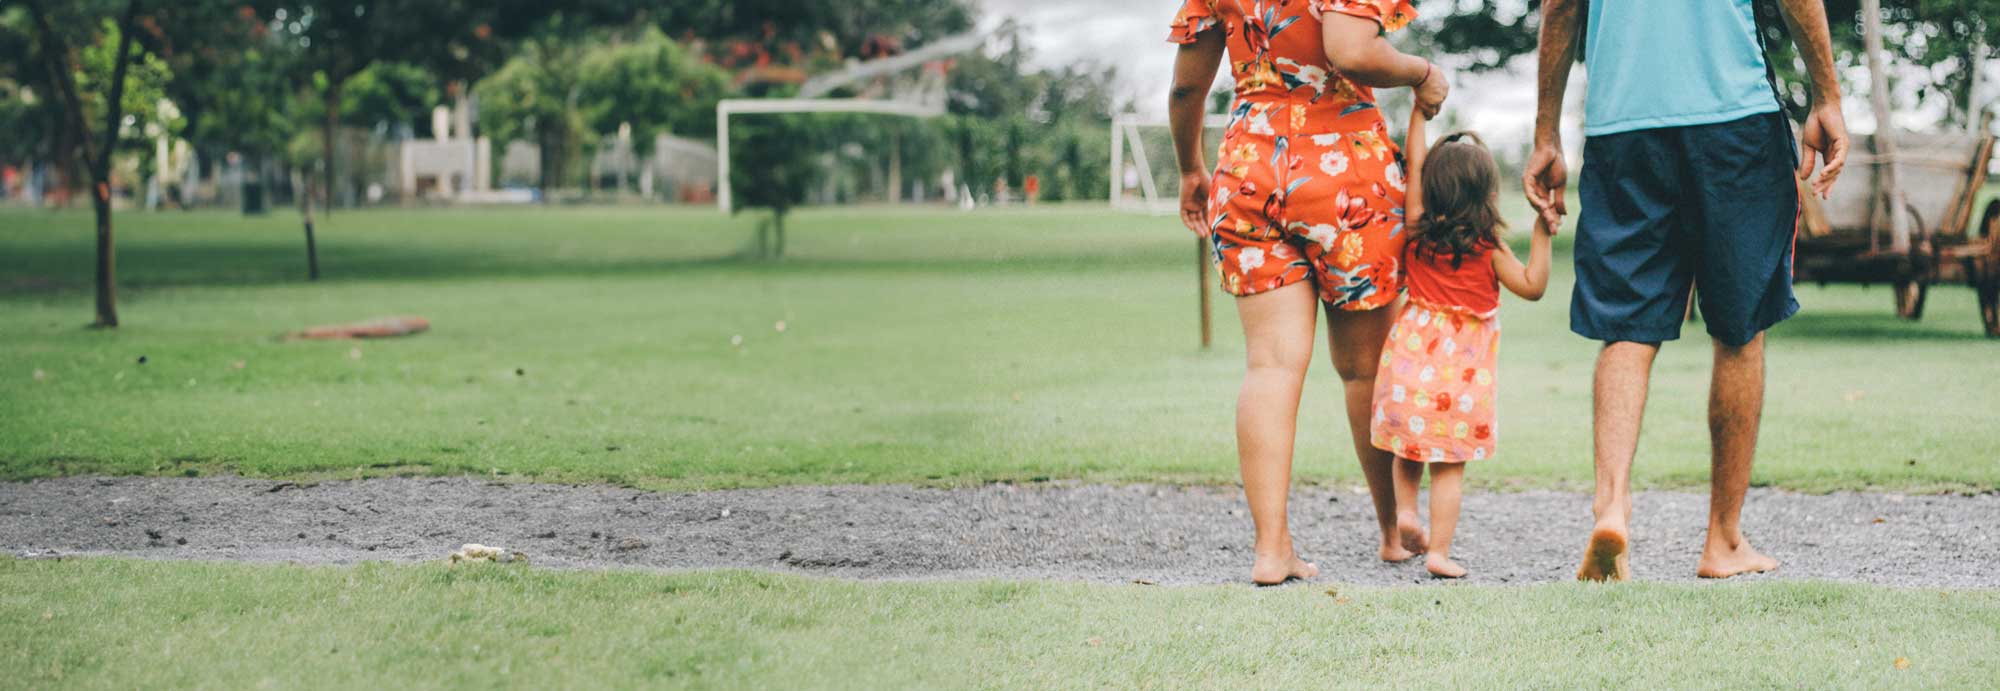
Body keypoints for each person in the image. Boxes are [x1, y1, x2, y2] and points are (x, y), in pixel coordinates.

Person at [1523, 0, 1849, 580]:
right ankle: (1722, 540)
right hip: (1733, 117)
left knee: (1626, 326)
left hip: (1621, 122)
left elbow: (1561, 6)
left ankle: (1614, 504)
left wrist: (1547, 132)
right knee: (1740, 328)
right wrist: (1827, 95)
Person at [1168, 0, 1448, 585]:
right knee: (1363, 370)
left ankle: (1272, 549)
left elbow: (1187, 91)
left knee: (1269, 366)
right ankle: (1393, 532)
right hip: (1345, 171)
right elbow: (1352, 51)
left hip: (1249, 169)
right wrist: (1422, 72)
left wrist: (1191, 168)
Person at [1371, 109, 1552, 579]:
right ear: (1488, 192)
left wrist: (1417, 113)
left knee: (1408, 447)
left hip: (1409, 363)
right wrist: (1542, 230)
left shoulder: (1416, 230)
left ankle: (1405, 513)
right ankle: (1439, 553)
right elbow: (1532, 286)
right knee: (1448, 465)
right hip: (1462, 379)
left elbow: (1413, 161)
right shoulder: (1488, 247)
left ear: (1430, 188)